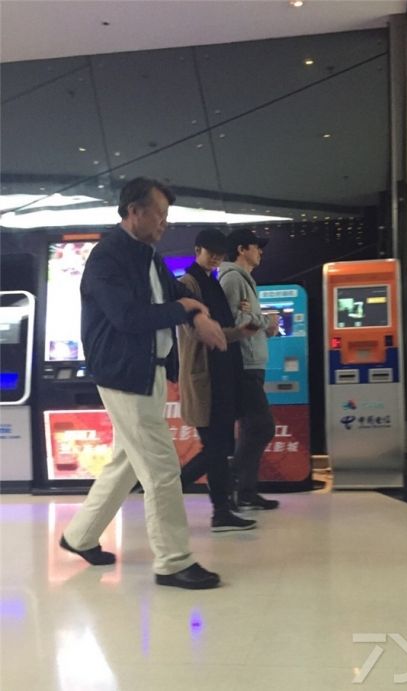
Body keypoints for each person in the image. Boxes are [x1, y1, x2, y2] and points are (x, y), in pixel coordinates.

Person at [59, 177, 227, 590]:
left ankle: (79, 536)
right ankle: (173, 561)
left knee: (127, 462)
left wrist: (195, 311)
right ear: (134, 211)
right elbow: (128, 317)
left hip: (147, 371)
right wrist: (185, 308)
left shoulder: (148, 256)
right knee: (161, 468)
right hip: (123, 374)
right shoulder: (108, 258)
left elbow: (176, 294)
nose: (165, 223)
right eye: (160, 214)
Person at [178, 229, 257, 532]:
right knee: (215, 447)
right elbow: (198, 332)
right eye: (211, 252)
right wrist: (237, 333)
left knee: (220, 446)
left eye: (220, 254)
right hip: (206, 377)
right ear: (197, 250)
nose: (215, 258)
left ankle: (220, 510)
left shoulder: (211, 282)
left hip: (221, 375)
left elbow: (218, 328)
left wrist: (240, 331)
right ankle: (179, 492)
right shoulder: (188, 284)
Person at [219, 228, 280, 511]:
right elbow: (235, 322)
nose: (260, 252)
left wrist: (258, 320)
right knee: (262, 426)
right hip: (244, 364)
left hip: (252, 363)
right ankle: (229, 481)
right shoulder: (233, 279)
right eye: (256, 246)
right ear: (242, 249)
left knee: (250, 428)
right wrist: (266, 321)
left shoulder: (244, 279)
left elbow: (246, 319)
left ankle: (245, 491)